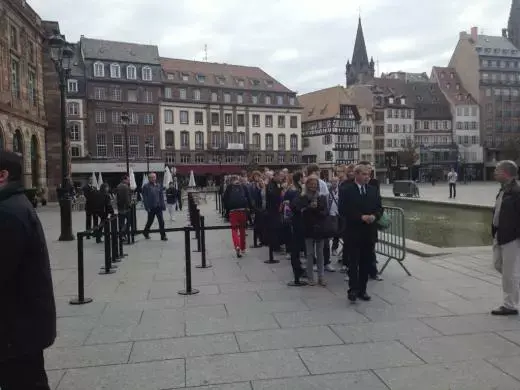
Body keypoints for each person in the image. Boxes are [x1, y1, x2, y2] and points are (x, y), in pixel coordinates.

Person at [0, 151, 56, 390]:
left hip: (16, 330)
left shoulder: (7, 213)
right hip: (23, 328)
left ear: (2, 175)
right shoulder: (15, 205)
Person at [339, 164, 383, 303]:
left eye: (368, 174)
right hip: (353, 232)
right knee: (353, 263)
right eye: (364, 174)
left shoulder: (373, 190)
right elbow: (343, 210)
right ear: (356, 175)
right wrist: (360, 217)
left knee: (366, 262)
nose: (367, 177)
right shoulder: (347, 190)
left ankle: (362, 290)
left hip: (369, 232)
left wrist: (375, 216)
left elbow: (379, 208)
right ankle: (353, 289)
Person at [491, 160, 520, 316]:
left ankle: (510, 305)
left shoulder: (516, 191)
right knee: (497, 265)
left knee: (510, 273)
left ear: (506, 173)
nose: (495, 172)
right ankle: (515, 283)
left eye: (497, 170)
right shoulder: (503, 190)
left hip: (512, 237)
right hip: (500, 234)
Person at [292, 175, 329, 286]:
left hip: (319, 228)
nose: (313, 186)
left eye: (315, 185)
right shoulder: (302, 197)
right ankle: (310, 277)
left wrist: (317, 209)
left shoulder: (321, 197)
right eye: (311, 184)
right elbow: (297, 209)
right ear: (307, 185)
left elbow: (325, 212)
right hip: (307, 228)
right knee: (309, 254)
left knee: (320, 253)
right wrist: (308, 207)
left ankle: (321, 277)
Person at [223, 175, 251, 257]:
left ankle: (237, 245)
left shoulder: (229, 187)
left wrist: (227, 209)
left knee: (234, 230)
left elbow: (224, 199)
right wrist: (250, 209)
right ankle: (243, 248)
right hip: (243, 211)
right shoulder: (243, 187)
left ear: (231, 181)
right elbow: (249, 198)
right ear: (238, 180)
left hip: (233, 211)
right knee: (242, 230)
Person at [142, 172, 167, 241]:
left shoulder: (158, 185)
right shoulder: (146, 186)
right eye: (151, 177)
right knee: (150, 221)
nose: (153, 178)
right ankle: (145, 232)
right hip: (151, 207)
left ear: (156, 178)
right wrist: (147, 207)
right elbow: (145, 198)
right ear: (149, 178)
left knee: (161, 221)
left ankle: (163, 236)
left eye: (154, 177)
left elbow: (161, 196)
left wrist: (163, 205)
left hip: (158, 207)